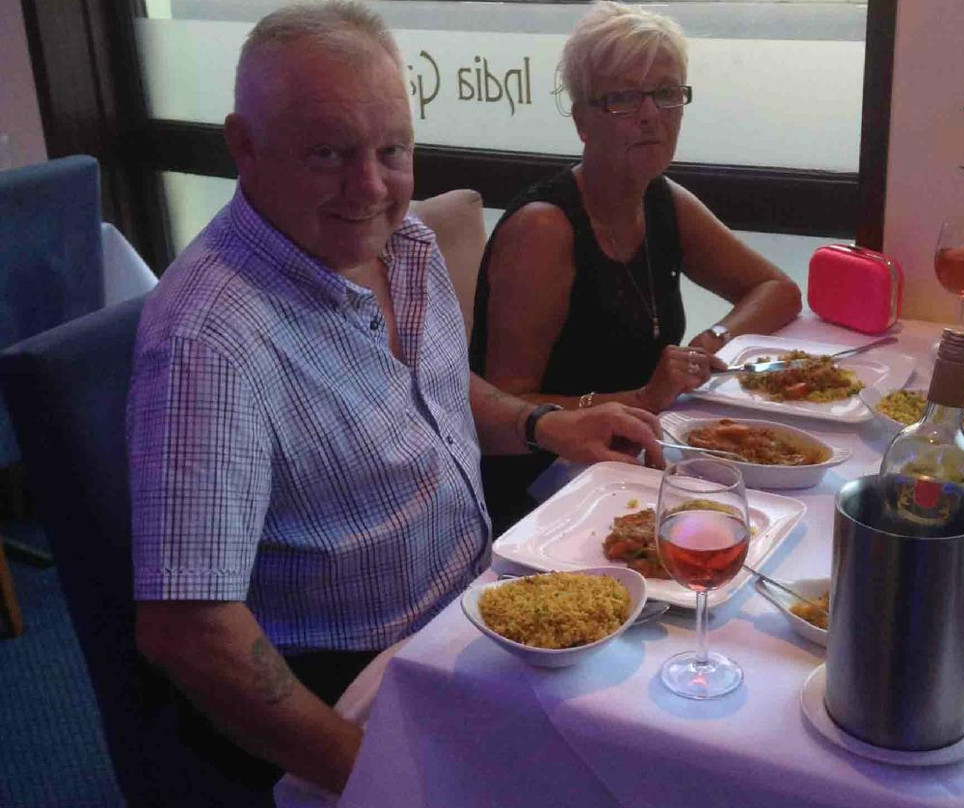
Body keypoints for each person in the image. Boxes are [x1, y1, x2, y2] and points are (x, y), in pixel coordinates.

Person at [126, 2, 662, 801]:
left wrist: (547, 425)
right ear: (244, 145)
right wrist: (377, 773)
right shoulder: (209, 341)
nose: (371, 187)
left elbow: (431, 392)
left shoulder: (403, 245)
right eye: (328, 153)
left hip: (473, 617)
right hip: (347, 688)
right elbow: (187, 631)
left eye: (392, 150)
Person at [469, 1, 802, 532]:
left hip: (635, 457)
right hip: (541, 490)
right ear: (582, 120)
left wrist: (709, 342)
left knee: (780, 510)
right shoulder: (545, 229)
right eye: (624, 98)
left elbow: (777, 288)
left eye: (666, 92)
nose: (651, 115)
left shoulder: (661, 201)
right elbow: (504, 408)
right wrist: (641, 397)